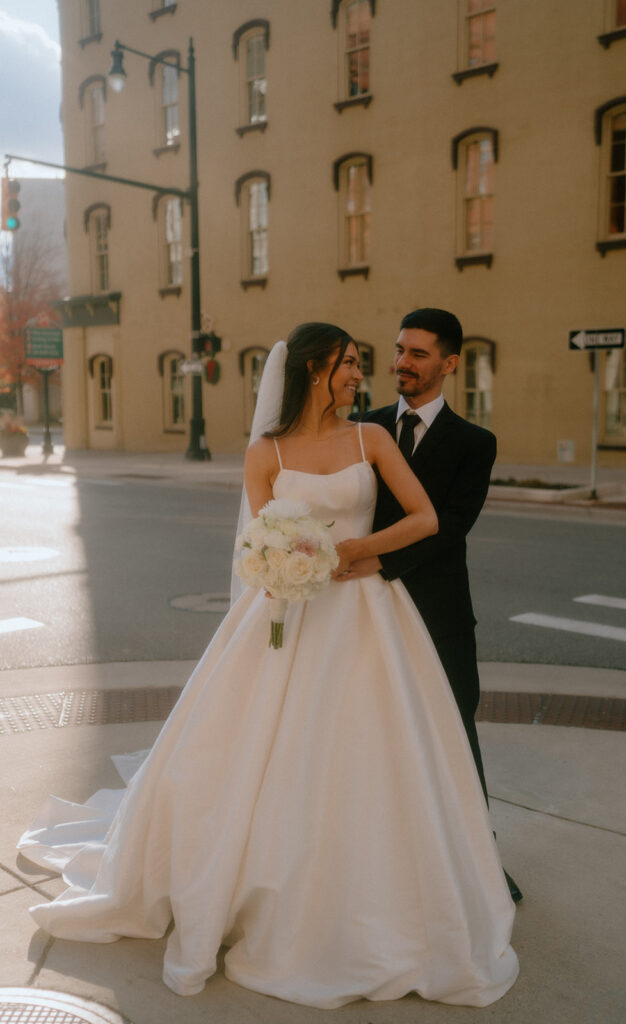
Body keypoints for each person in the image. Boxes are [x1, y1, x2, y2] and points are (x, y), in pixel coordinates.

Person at [18, 323, 518, 1009]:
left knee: (375, 750)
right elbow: (260, 541)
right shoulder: (265, 451)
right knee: (260, 747)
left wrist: (350, 551)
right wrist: (288, 562)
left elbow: (428, 518)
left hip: (366, 613)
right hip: (285, 615)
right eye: (347, 364)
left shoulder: (370, 439)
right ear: (315, 369)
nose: (356, 375)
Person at [343, 307, 522, 902]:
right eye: (398, 350)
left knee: (455, 732)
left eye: (418, 354)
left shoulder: (475, 443)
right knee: (371, 733)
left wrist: (380, 560)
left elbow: (450, 527)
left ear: (449, 363)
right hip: (361, 610)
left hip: (439, 612)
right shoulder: (361, 428)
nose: (402, 364)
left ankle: (480, 860)